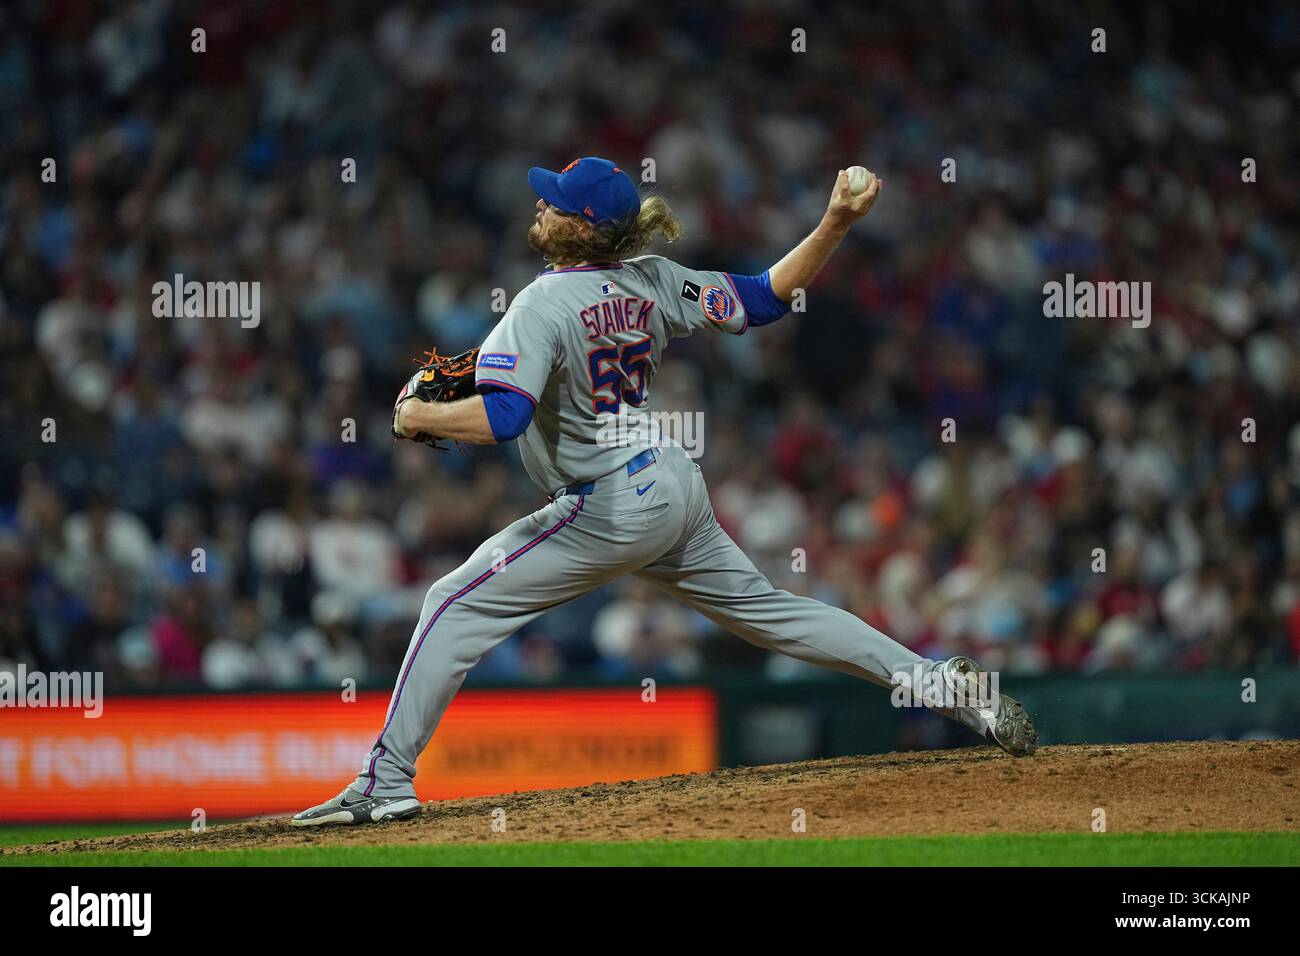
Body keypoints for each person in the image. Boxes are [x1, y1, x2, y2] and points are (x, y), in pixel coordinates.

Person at [293, 157, 1038, 826]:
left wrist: (418, 414)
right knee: (773, 613)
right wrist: (835, 223)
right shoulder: (653, 277)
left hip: (612, 499)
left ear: (582, 226)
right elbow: (766, 298)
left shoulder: (539, 305)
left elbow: (502, 414)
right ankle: (937, 682)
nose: (539, 209)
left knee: (454, 602)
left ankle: (384, 782)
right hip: (671, 480)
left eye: (552, 203)